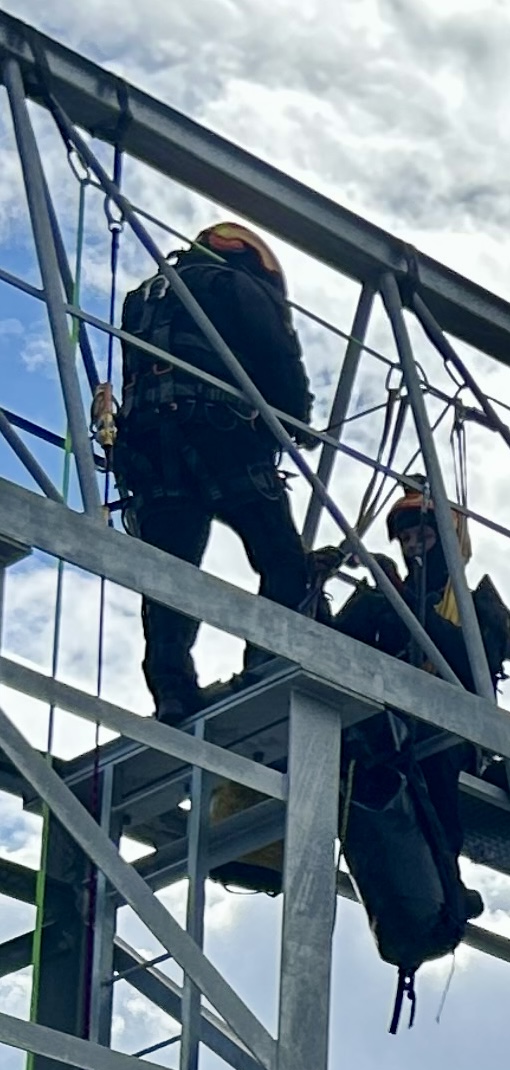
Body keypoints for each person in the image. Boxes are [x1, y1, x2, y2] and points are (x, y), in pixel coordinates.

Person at [328, 486, 510, 983]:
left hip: (466, 747)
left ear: (452, 538)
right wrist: (320, 580)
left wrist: (405, 604)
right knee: (435, 753)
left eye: (424, 532)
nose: (413, 544)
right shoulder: (377, 600)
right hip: (395, 742)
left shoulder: (480, 606)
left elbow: (473, 665)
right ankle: (447, 885)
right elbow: (327, 647)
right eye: (406, 536)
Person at [106, 222, 314, 724]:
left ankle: (173, 691)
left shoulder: (144, 297)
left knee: (171, 577)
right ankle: (268, 660)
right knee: (284, 560)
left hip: (153, 451)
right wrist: (297, 422)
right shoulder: (235, 286)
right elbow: (276, 355)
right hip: (221, 435)